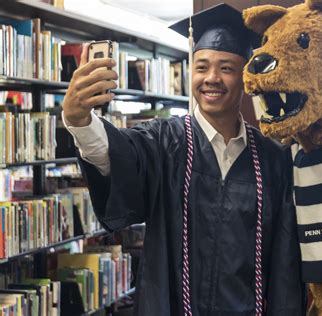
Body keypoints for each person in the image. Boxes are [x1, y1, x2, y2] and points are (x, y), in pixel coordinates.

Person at [61, 3, 305, 315]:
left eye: (226, 68)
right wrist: (79, 120)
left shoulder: (272, 160)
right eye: (201, 67)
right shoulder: (163, 142)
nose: (211, 78)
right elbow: (115, 155)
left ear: (245, 77)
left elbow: (285, 262)